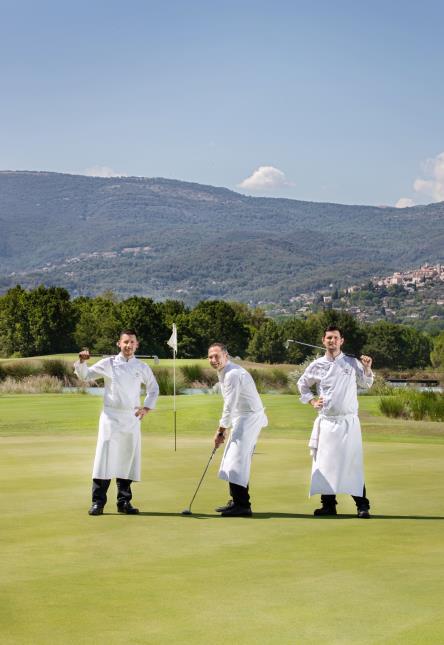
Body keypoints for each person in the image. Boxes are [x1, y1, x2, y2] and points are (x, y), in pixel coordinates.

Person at [74, 330, 159, 516]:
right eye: (125, 342)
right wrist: (82, 361)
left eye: (132, 342)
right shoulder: (109, 363)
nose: (128, 345)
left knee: (127, 460)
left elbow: (154, 388)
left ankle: (124, 502)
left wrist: (146, 408)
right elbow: (85, 375)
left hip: (132, 419)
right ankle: (98, 503)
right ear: (118, 344)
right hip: (110, 418)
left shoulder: (142, 366)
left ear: (137, 345)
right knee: (104, 459)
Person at [297, 325, 374, 518]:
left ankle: (362, 506)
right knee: (325, 464)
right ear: (323, 341)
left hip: (348, 423)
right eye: (329, 338)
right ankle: (328, 505)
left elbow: (366, 383)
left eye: (335, 338)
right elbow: (302, 385)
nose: (332, 341)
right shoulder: (316, 365)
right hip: (327, 422)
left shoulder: (352, 362)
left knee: (352, 463)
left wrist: (367, 368)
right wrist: (313, 401)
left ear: (342, 341)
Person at [208, 342, 268, 517]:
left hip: (249, 417)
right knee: (233, 459)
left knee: (236, 460)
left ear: (226, 355)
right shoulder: (225, 371)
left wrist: (220, 430)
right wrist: (225, 428)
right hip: (242, 417)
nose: (213, 360)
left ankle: (243, 505)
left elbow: (229, 405)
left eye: (216, 356)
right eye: (210, 357)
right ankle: (236, 501)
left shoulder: (232, 374)